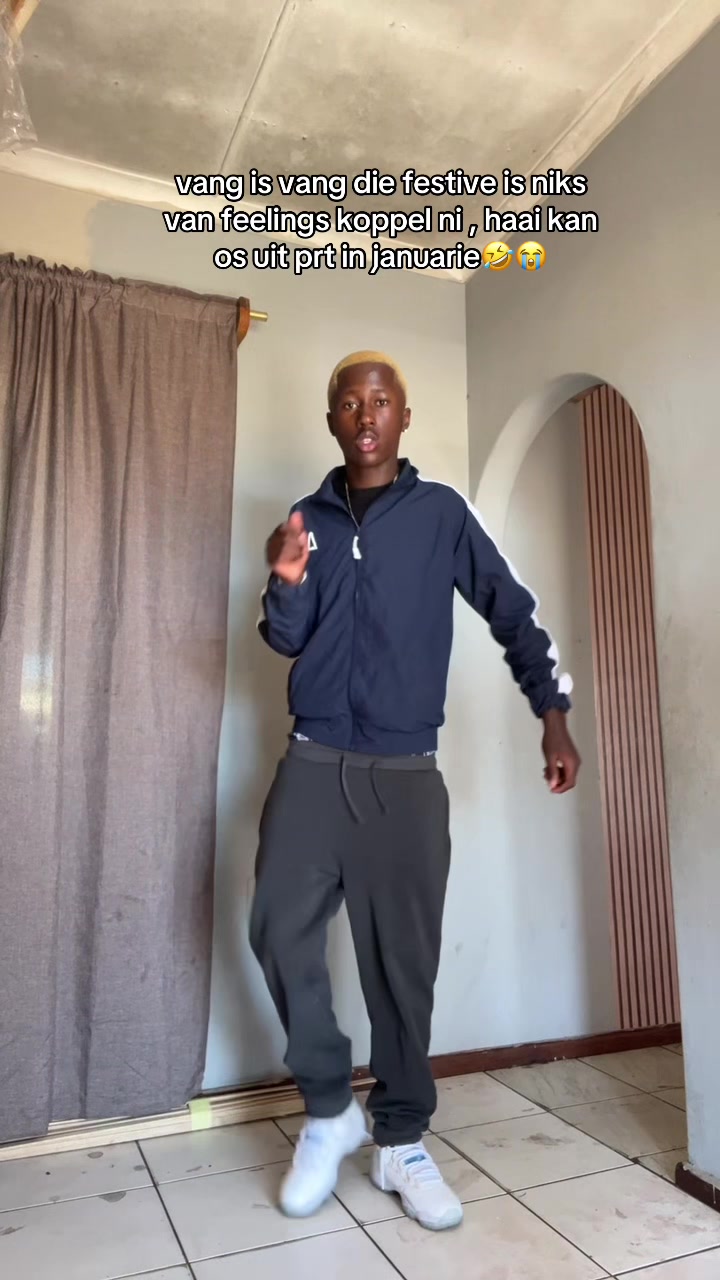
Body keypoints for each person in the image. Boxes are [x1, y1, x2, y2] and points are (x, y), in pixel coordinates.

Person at [250, 351, 581, 1231]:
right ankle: (330, 1111)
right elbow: (283, 639)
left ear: (403, 417)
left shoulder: (441, 515)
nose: (365, 415)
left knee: (403, 970)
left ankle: (399, 1141)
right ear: (332, 421)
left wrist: (552, 711)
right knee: (276, 929)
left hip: (404, 775)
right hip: (313, 761)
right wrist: (286, 581)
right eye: (349, 403)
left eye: (380, 401)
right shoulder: (307, 520)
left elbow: (511, 608)